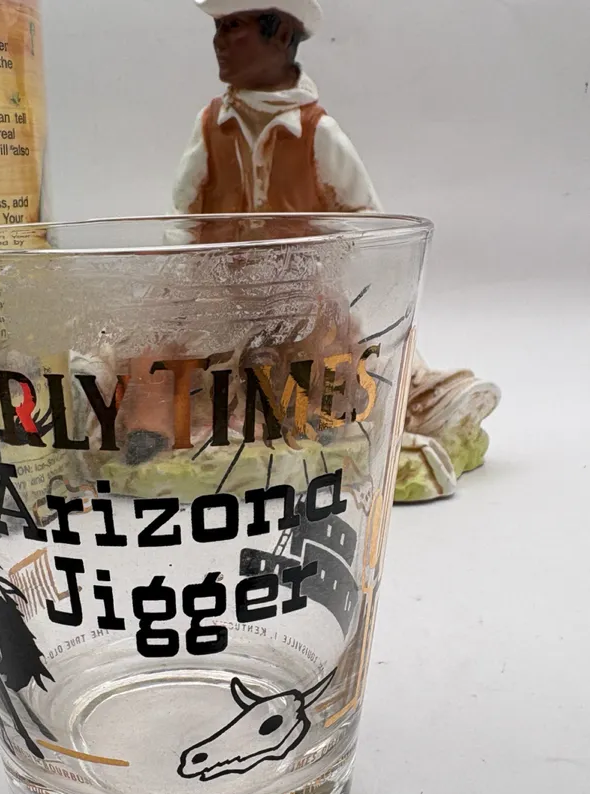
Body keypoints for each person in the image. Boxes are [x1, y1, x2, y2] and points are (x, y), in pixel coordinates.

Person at [170, 0, 500, 501]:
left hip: (298, 299)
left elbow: (369, 220)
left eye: (233, 27)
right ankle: (191, 428)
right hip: (223, 296)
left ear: (281, 35)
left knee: (335, 358)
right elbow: (182, 215)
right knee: (174, 359)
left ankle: (420, 397)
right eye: (218, 28)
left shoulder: (316, 133)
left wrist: (330, 271)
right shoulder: (211, 126)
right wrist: (178, 282)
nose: (219, 41)